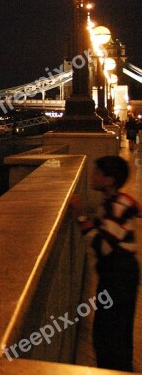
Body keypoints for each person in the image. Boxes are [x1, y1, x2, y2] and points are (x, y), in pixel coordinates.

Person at [72, 156, 140, 371]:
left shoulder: (116, 208)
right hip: (119, 274)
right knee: (115, 331)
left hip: (118, 276)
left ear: (109, 180)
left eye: (97, 173)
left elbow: (103, 245)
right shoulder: (115, 203)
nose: (92, 177)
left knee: (110, 334)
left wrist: (81, 218)